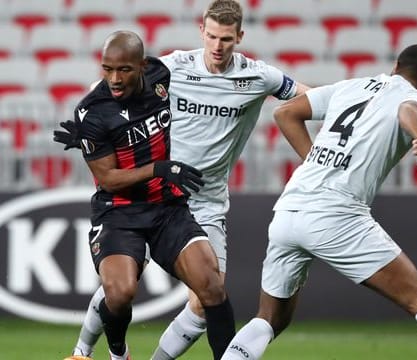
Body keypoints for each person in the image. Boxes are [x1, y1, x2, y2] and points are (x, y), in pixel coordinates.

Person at [54, 1, 309, 359]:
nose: (218, 46)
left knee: (208, 297)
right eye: (212, 37)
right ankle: (83, 351)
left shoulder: (258, 76)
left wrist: (357, 105)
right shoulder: (174, 67)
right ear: (201, 31)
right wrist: (89, 124)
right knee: (121, 283)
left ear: (239, 37)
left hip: (203, 199)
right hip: (147, 190)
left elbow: (308, 96)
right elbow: (111, 84)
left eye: (226, 39)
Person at [220, 44, 417, 360]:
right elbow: (408, 110)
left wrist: (316, 162)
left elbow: (285, 112)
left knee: (270, 318)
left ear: (395, 65)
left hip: (290, 208)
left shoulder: (351, 86)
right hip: (337, 213)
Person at [59, 30, 236, 360]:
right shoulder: (93, 112)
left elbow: (205, 76)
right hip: (119, 211)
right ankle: (118, 353)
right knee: (121, 291)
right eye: (107, 69)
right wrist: (160, 169)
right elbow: (109, 179)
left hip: (167, 209)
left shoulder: (161, 75)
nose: (114, 79)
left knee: (212, 287)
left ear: (142, 65)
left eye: (123, 69)